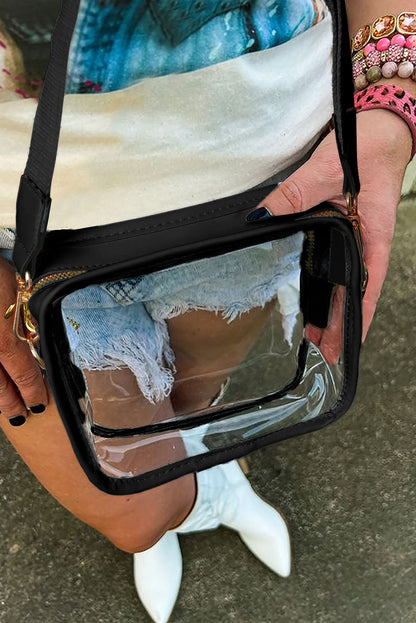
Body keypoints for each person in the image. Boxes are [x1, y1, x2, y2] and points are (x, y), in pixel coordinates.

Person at [0, 1, 414, 622]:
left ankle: (206, 469)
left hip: (257, 187)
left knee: (195, 399)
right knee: (138, 515)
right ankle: (194, 499)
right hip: (27, 241)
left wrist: (392, 99)